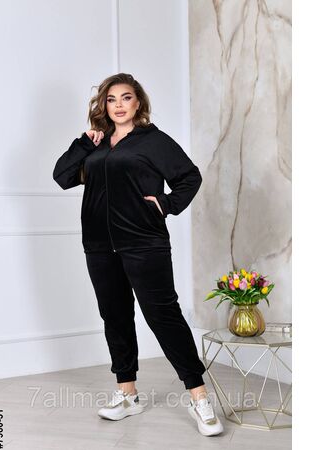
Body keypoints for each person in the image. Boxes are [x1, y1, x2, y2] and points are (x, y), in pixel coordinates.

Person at [53, 73, 223, 436]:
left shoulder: (153, 140)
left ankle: (200, 398)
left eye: (126, 97)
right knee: (115, 316)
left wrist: (166, 203)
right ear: (103, 105)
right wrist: (84, 144)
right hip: (100, 246)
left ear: (138, 103)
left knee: (163, 316)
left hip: (144, 242)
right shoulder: (96, 144)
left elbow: (189, 177)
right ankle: (127, 394)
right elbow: (62, 176)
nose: (118, 105)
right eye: (111, 99)